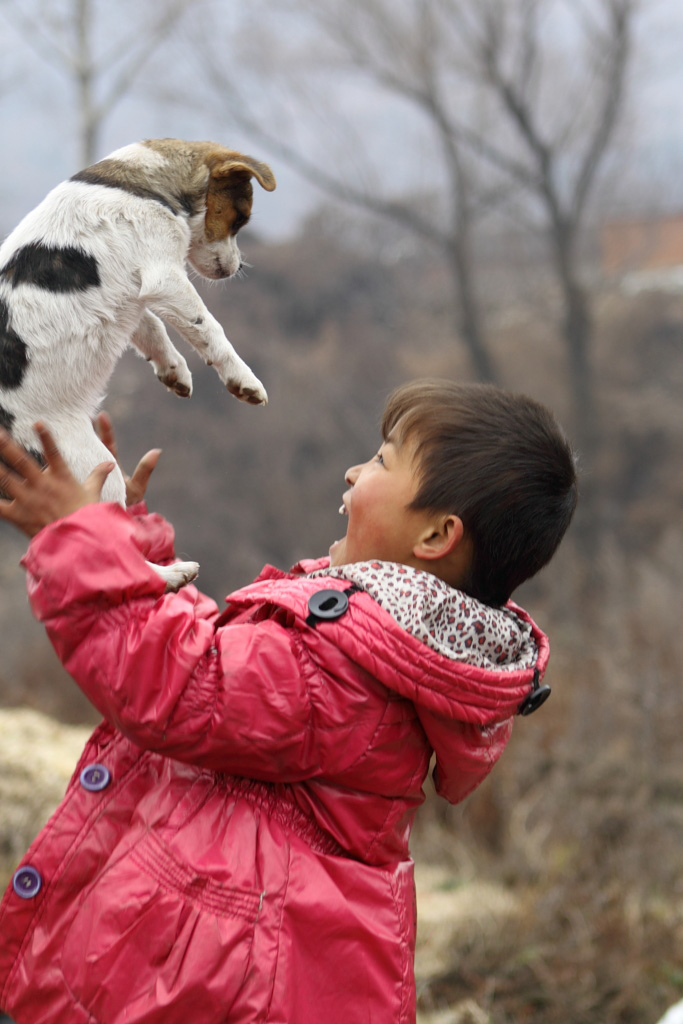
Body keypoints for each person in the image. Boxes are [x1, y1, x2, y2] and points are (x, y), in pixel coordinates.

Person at [0, 380, 577, 1024]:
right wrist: (121, 544)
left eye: (383, 461)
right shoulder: (377, 647)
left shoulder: (352, 673)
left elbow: (184, 685)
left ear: (437, 535)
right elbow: (213, 669)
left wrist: (83, 541)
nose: (356, 471)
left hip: (195, 992)